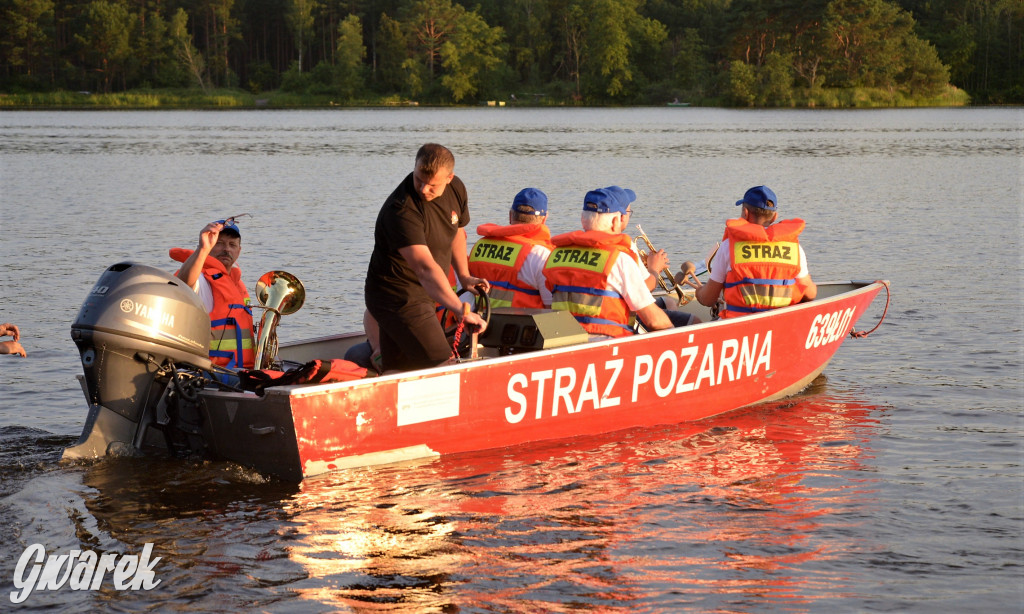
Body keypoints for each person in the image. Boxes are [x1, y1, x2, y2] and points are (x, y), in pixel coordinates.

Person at [364, 143, 489, 372]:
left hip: (423, 294)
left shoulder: (456, 189)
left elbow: (457, 233)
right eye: (419, 179)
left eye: (432, 185)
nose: (423, 189)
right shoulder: (401, 210)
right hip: (397, 296)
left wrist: (463, 276)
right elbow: (424, 268)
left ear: (449, 178)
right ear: (414, 167)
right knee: (444, 365)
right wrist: (461, 310)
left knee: (401, 369)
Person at [543, 186, 675, 337]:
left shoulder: (555, 254)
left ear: (582, 219)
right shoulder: (619, 259)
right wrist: (676, 334)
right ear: (615, 221)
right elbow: (654, 321)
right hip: (607, 344)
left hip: (563, 341)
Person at [695, 185, 817, 317]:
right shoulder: (795, 248)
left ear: (745, 213)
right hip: (782, 323)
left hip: (739, 325)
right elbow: (810, 293)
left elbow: (708, 299)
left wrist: (699, 292)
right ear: (775, 216)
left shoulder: (728, 246)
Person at [169, 218, 256, 370]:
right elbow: (182, 285)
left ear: (239, 251)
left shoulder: (237, 284)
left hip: (244, 369)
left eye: (232, 245)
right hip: (212, 372)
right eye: (219, 243)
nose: (226, 249)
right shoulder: (201, 279)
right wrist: (203, 249)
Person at [468, 187, 555, 309]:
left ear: (510, 215)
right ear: (544, 219)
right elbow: (551, 307)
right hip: (524, 326)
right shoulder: (540, 255)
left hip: (479, 323)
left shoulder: (479, 246)